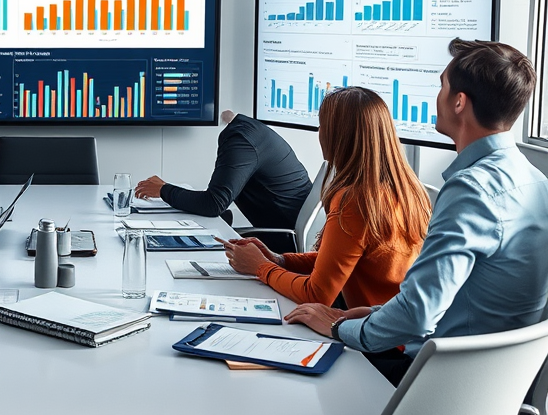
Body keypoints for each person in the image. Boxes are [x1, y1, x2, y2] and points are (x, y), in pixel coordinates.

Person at [286, 39, 548, 386]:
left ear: (459, 102)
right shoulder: (536, 181)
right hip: (494, 387)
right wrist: (374, 314)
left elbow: (420, 314)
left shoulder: (470, 190)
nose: (436, 97)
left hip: (431, 384)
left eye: (441, 86)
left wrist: (337, 326)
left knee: (295, 359)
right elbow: (465, 300)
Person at [222, 87, 430, 308]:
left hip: (372, 332)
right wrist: (279, 260)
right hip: (398, 328)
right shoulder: (409, 189)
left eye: (322, 126)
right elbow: (339, 261)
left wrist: (260, 268)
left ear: (339, 136)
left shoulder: (356, 200)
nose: (319, 133)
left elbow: (316, 294)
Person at [135, 109, 312, 228]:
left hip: (282, 247)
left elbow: (213, 204)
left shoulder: (241, 141)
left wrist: (164, 190)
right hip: (288, 237)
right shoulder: (251, 131)